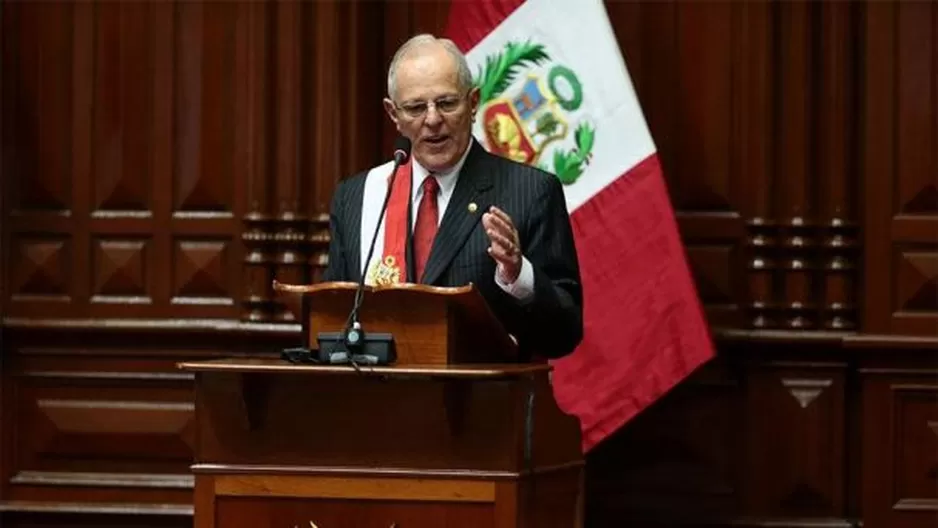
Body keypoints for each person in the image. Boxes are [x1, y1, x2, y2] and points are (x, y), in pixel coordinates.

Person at [322, 34, 582, 360]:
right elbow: (332, 321)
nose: (432, 120)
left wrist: (520, 276)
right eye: (416, 107)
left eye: (446, 103)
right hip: (380, 403)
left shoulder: (531, 192)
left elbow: (565, 334)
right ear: (393, 114)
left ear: (473, 103)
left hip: (486, 404)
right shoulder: (357, 197)